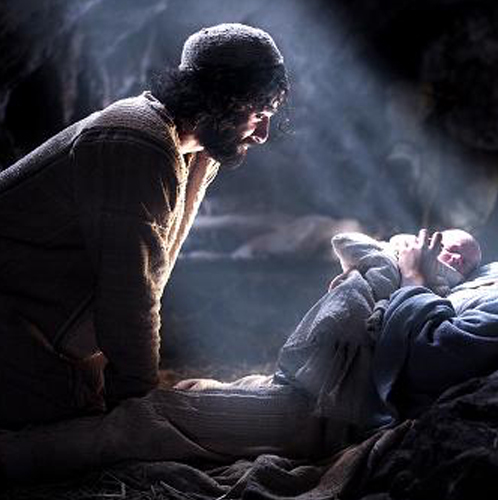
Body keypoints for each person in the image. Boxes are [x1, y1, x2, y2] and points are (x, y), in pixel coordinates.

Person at [0, 155, 498, 482]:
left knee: (153, 417)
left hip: (337, 411)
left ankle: (16, 459)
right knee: (194, 389)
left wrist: (413, 279)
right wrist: (422, 270)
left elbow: (435, 353)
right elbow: (443, 295)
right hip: (329, 380)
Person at [0, 23, 289, 429]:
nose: (262, 134)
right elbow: (128, 291)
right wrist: (140, 400)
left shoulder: (194, 151)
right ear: (219, 99)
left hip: (45, 339)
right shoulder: (137, 144)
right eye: (258, 114)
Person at [329, 228, 482, 295]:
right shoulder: (404, 246)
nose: (458, 258)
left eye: (466, 262)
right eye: (453, 250)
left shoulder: (451, 288)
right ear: (431, 243)